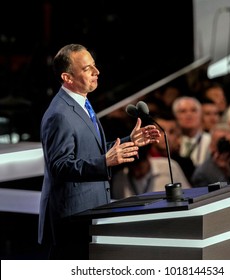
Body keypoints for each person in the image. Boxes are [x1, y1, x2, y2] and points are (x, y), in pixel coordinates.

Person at [38, 44, 161, 260]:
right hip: (71, 220)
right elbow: (59, 166)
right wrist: (105, 162)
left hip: (88, 213)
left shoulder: (81, 102)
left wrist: (128, 141)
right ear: (67, 77)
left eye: (94, 66)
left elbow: (88, 150)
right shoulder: (59, 114)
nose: (97, 72)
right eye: (87, 69)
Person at [111, 145, 191, 199]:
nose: (136, 173)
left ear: (148, 159)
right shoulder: (119, 178)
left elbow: (188, 194)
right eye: (132, 169)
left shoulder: (168, 166)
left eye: (139, 168)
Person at [172, 96, 211, 170]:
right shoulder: (171, 143)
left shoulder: (210, 141)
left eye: (193, 110)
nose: (189, 115)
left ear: (201, 114)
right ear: (175, 116)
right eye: (183, 111)